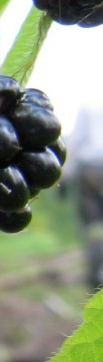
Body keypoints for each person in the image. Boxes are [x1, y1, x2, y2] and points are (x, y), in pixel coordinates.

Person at [63, 105, 103, 290]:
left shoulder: (88, 107)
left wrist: (65, 176)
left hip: (89, 171)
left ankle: (96, 272)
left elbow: (75, 142)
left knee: (92, 224)